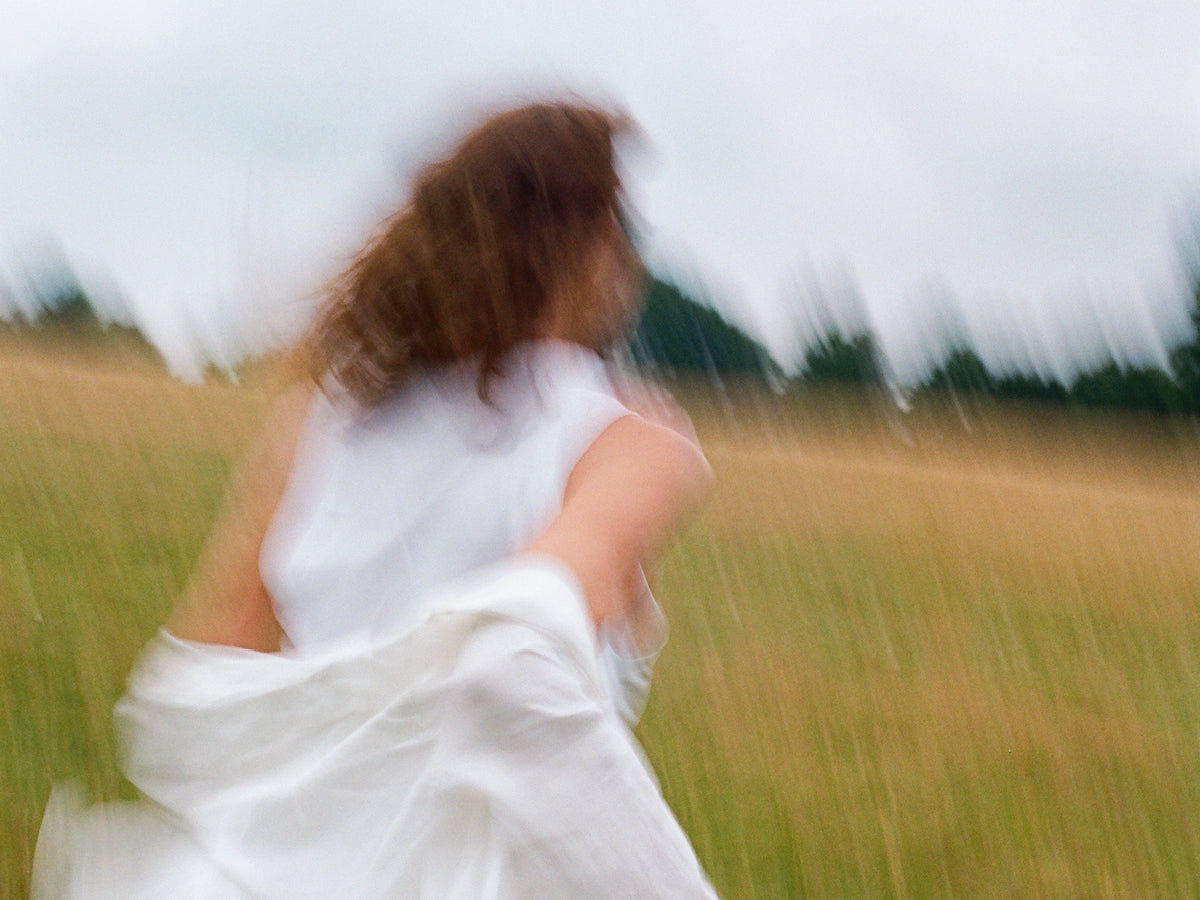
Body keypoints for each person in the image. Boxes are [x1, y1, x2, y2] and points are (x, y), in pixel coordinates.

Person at [33, 99, 716, 898]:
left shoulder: (328, 421)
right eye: (618, 227)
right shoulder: (629, 440)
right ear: (588, 248)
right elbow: (519, 640)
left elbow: (213, 658)